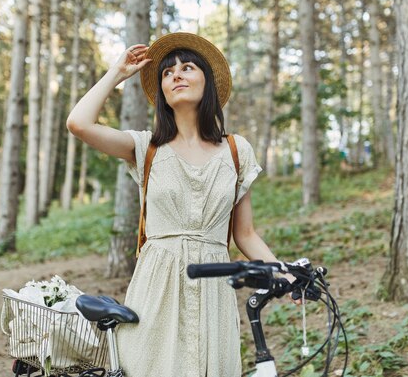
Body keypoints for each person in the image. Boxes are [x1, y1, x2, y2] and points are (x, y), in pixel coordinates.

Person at [66, 32, 297, 377]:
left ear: (208, 82)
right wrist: (117, 72)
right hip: (157, 287)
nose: (176, 75)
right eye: (167, 72)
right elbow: (78, 123)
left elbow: (246, 234)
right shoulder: (146, 148)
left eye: (187, 67)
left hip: (214, 288)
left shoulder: (236, 152)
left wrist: (284, 273)